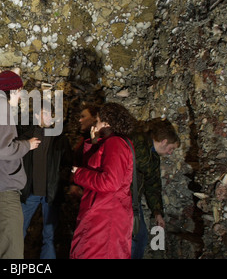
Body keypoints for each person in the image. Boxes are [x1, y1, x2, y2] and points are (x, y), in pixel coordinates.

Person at [0, 70, 41, 259]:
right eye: (20, 91)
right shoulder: (1, 107)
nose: (21, 96)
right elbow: (0, 149)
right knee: (10, 253)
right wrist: (26, 145)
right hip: (3, 191)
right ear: (12, 90)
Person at [70, 102, 137, 259]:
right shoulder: (111, 143)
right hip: (102, 213)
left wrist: (79, 174)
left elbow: (110, 182)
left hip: (105, 217)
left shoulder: (115, 143)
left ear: (107, 123)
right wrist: (94, 144)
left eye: (98, 120)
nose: (96, 124)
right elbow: (95, 167)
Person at [19, 104, 72, 259]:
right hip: (30, 193)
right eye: (46, 113)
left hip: (51, 195)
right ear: (37, 116)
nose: (50, 117)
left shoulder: (60, 138)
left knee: (50, 236)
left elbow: (67, 163)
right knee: (18, 231)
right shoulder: (26, 137)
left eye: (51, 113)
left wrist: (59, 182)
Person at [130, 118, 180, 259]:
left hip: (133, 199)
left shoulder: (154, 158)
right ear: (164, 141)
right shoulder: (138, 139)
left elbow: (153, 185)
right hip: (121, 197)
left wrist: (157, 212)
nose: (170, 153)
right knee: (135, 238)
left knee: (140, 237)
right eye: (171, 149)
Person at [70, 103, 101, 197]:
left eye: (83, 117)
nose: (80, 120)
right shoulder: (84, 140)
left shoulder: (99, 141)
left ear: (94, 118)